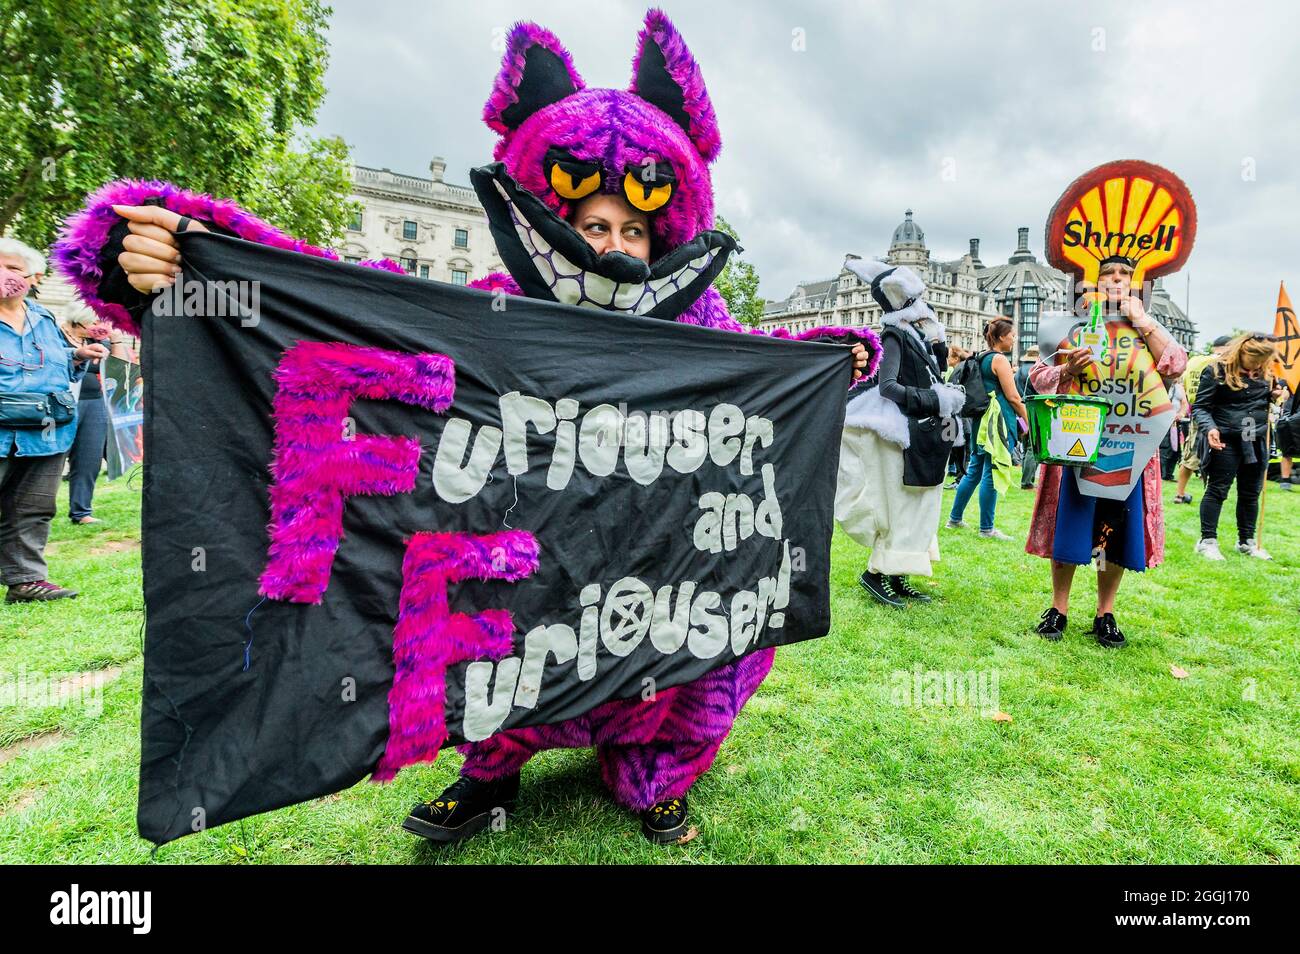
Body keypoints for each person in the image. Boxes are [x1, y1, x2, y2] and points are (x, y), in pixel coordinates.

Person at [53, 11, 877, 844]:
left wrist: (828, 362)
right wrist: (199, 262)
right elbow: (348, 314)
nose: (615, 247)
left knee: (691, 646)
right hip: (525, 533)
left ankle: (654, 772)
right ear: (553, 213)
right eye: (595, 225)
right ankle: (489, 775)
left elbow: (752, 372)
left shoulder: (695, 315)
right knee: (498, 638)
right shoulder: (488, 300)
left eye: (633, 230)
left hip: (651, 549)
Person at [1025, 257, 1187, 646]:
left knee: (1109, 531)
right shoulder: (1072, 326)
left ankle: (1105, 611)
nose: (1116, 281)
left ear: (1134, 284)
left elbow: (1176, 365)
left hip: (1130, 448)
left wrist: (1143, 321)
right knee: (1071, 528)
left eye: (1124, 276)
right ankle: (1058, 608)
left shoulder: (1147, 326)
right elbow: (1037, 375)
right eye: (1108, 275)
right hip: (1076, 446)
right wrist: (1066, 371)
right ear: (1091, 283)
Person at [835, 258, 967, 608]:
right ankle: (876, 573)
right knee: (900, 502)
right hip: (902, 430)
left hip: (921, 430)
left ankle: (898, 573)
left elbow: (931, 373)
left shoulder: (920, 338)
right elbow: (889, 386)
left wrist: (938, 348)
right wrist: (933, 398)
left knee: (919, 501)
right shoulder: (895, 335)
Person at [1, 238, 108, 603]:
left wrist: (78, 353)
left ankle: (26, 580)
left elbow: (53, 357)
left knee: (33, 506)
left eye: (13, 268)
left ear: (34, 276)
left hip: (46, 427)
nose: (4, 275)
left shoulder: (42, 315)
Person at [1192, 334, 1286, 560]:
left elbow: (1263, 400)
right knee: (1218, 489)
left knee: (1251, 492)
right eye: (1254, 361)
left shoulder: (1267, 372)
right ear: (1242, 352)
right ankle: (1207, 541)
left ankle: (1246, 541)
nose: (1257, 366)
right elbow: (1201, 407)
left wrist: (1273, 396)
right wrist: (1210, 428)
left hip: (1256, 437)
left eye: (1263, 361)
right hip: (1225, 436)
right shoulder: (1216, 370)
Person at [946, 318, 1026, 538]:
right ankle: (987, 528)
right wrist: (1027, 419)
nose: (1014, 338)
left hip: (981, 420)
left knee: (974, 471)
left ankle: (954, 519)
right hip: (997, 421)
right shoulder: (1000, 360)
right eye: (1012, 334)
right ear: (1001, 337)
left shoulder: (981, 356)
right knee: (992, 471)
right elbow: (1013, 397)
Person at [60, 305, 131, 524]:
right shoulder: (55, 334)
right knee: (52, 460)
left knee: (88, 458)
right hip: (61, 403)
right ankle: (33, 509)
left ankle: (81, 512)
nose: (97, 327)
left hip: (94, 403)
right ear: (76, 321)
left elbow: (119, 370)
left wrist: (116, 339)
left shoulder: (96, 341)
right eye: (93, 323)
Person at [1174, 334, 1232, 504]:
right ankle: (1207, 494)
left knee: (1191, 454)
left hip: (1197, 413)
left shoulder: (1194, 361)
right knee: (1213, 454)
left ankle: (1180, 492)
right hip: (1216, 414)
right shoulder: (1221, 363)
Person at [944, 346, 971, 488]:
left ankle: (961, 479)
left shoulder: (958, 370)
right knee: (961, 447)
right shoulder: (962, 368)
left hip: (959, 416)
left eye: (949, 357)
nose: (947, 360)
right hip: (961, 416)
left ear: (955, 358)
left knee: (962, 448)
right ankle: (960, 478)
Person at [1015, 346, 1040, 489]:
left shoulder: (1019, 371)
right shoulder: (1035, 370)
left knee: (1026, 446)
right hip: (1034, 410)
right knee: (1033, 447)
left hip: (1020, 412)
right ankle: (1027, 482)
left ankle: (1025, 480)